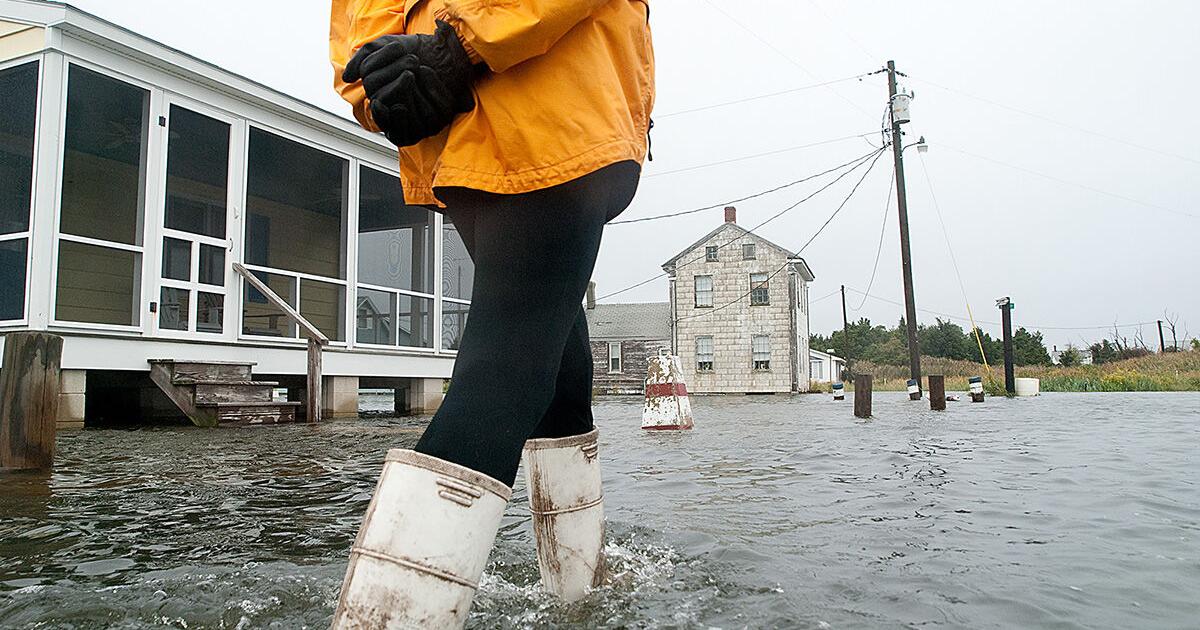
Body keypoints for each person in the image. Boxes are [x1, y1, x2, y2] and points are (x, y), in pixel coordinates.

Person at [328, 1, 654, 627]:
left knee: (559, 373)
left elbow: (359, 30)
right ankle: (388, 618)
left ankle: (578, 598)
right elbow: (364, 49)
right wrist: (412, 76)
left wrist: (408, 75)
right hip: (548, 106)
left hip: (459, 131)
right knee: (508, 375)